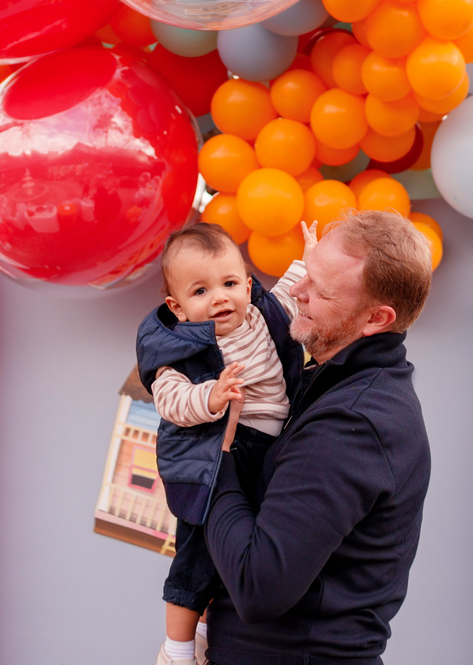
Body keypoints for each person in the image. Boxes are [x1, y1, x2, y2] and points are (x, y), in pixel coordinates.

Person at [202, 210, 433, 665]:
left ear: (376, 319)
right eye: (307, 272)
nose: (296, 292)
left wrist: (216, 457)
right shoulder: (333, 385)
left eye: (321, 291)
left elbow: (258, 587)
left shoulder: (352, 424)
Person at [136, 221, 317, 665]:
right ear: (176, 308)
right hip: (219, 455)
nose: (219, 297)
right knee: (196, 555)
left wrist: (310, 257)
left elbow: (292, 292)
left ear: (248, 284)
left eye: (230, 283)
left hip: (270, 448)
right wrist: (210, 397)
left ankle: (201, 631)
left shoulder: (262, 315)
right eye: (200, 292)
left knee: (236, 546)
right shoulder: (182, 348)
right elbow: (170, 400)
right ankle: (175, 651)